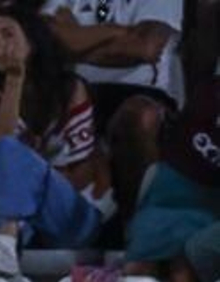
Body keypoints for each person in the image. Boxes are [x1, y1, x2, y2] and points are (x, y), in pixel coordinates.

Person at [0, 8, 114, 276]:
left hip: (75, 214)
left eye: (8, 35)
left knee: (11, 157)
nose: (0, 46)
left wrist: (6, 175)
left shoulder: (71, 89)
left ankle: (6, 242)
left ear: (33, 42)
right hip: (23, 219)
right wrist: (14, 80)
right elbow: (3, 144)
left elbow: (82, 174)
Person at [44, 0, 184, 220]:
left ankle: (138, 228)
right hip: (77, 90)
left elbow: (143, 46)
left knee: (139, 115)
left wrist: (75, 41)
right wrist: (116, 33)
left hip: (142, 91)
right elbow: (46, 36)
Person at [124, 76, 220, 282]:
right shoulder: (209, 91)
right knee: (140, 259)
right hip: (175, 183)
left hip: (213, 200)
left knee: (187, 253)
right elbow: (188, 139)